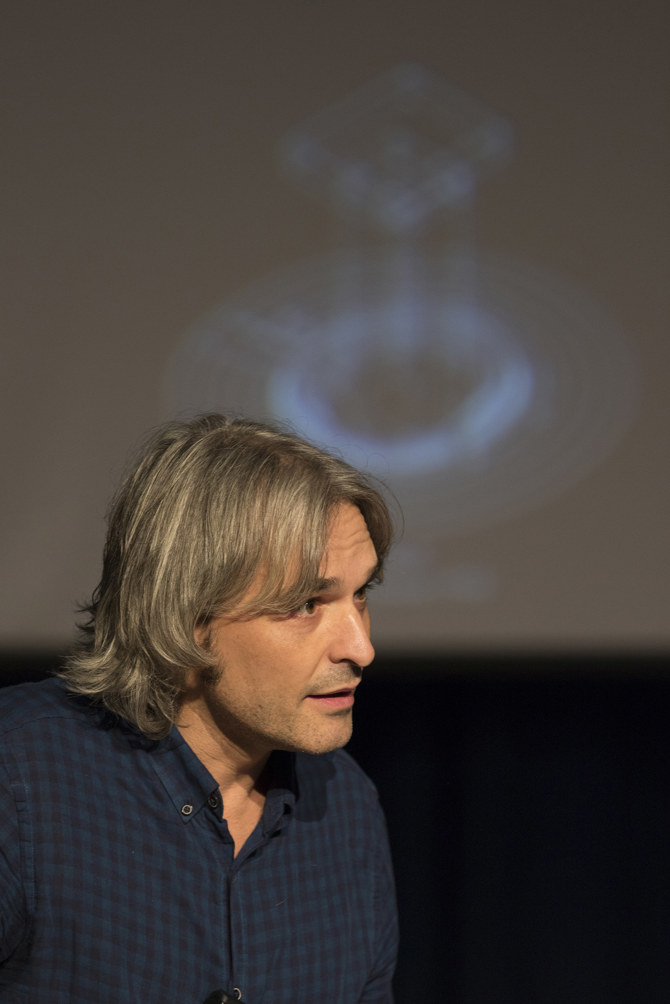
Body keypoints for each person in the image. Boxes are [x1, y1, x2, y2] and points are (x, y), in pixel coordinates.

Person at [0, 414, 398, 1003]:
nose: (361, 648)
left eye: (360, 594)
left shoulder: (346, 804)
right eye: (307, 604)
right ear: (183, 612)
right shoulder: (21, 776)